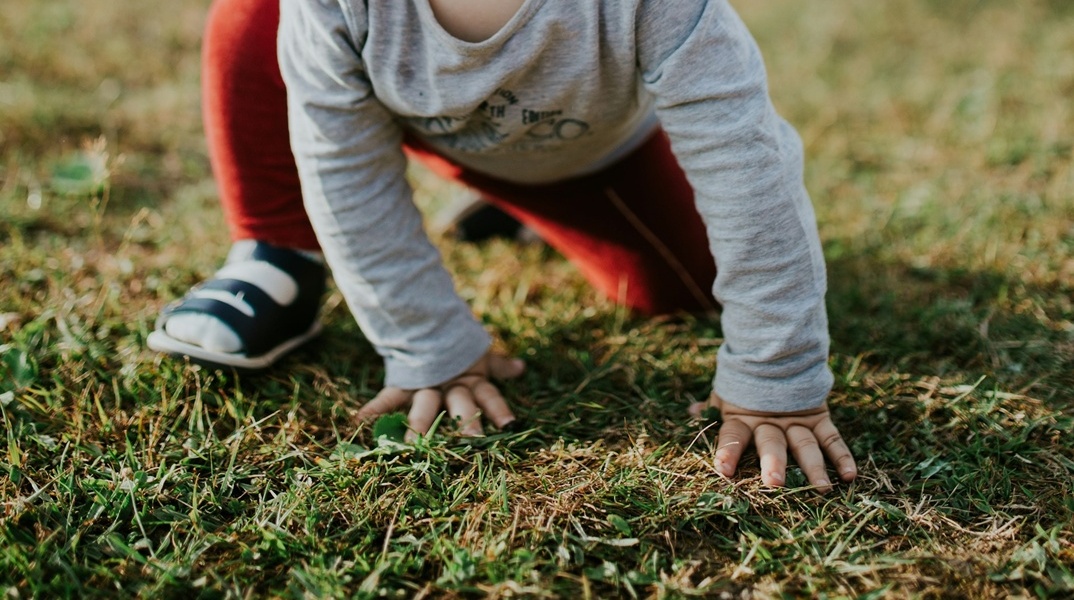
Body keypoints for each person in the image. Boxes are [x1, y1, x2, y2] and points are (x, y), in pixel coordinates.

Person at [149, 0, 858, 492]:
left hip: (584, 154)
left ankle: (524, 207)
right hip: (403, 114)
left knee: (680, 288)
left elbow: (745, 162)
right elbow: (343, 167)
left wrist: (777, 377)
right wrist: (427, 342)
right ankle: (275, 255)